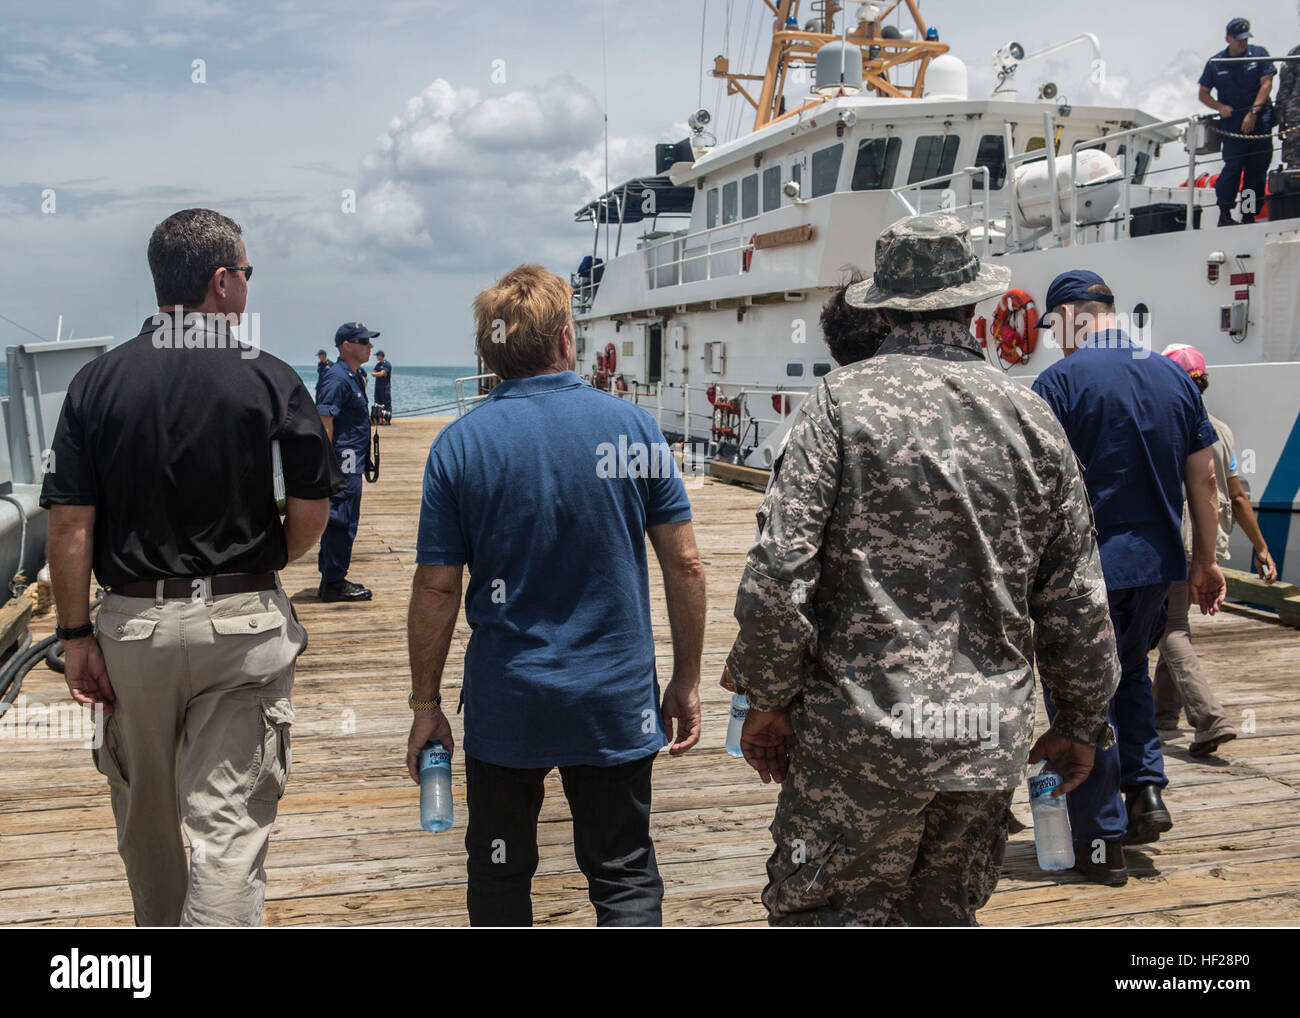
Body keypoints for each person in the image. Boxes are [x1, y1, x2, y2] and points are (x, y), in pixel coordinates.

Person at [726, 214, 1120, 926]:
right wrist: (1083, 721)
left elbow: (778, 571)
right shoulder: (1033, 418)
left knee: (832, 914)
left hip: (860, 737)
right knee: (943, 915)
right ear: (972, 303)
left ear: (884, 305)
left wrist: (767, 699)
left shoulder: (839, 406)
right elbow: (1078, 600)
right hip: (984, 739)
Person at [39, 208, 342, 926]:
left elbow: (70, 523)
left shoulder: (96, 383)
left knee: (145, 816)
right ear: (221, 283)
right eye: (247, 273)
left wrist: (76, 633)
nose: (247, 287)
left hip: (133, 627)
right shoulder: (268, 377)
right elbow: (311, 505)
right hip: (241, 627)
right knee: (229, 831)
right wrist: (265, 560)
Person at [404, 264, 706, 927]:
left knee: (500, 874)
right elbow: (684, 565)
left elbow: (436, 588)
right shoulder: (635, 430)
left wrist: (426, 704)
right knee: (624, 874)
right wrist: (686, 679)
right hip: (613, 697)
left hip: (509, 701)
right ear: (567, 339)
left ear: (489, 352)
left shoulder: (459, 446)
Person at [1031, 270, 1226, 886]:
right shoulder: (1174, 377)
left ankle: (1099, 841)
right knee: (1132, 674)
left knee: (1078, 695)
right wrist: (1206, 562)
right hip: (1158, 567)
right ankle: (1145, 788)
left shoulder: (1059, 384)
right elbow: (1206, 481)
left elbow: (1037, 489)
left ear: (1069, 316)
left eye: (1052, 327)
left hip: (1085, 572)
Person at [1154, 343, 1277, 758]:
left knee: (1171, 630)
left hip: (1176, 541)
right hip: (1210, 544)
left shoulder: (1164, 426)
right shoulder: (1220, 430)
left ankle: (1209, 719)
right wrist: (1261, 547)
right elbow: (1238, 496)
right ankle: (1162, 715)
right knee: (1177, 625)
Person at [316, 322, 377, 603]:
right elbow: (324, 421)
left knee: (346, 518)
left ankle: (333, 576)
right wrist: (327, 465)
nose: (369, 346)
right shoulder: (337, 378)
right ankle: (333, 582)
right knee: (341, 519)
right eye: (363, 342)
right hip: (343, 462)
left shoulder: (354, 375)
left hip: (354, 461)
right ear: (346, 346)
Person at [1199, 17, 1277, 225]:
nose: (1243, 43)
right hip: (1233, 123)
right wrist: (1220, 108)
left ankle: (1248, 214)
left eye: (1245, 38)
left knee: (1256, 170)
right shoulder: (1216, 63)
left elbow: (1267, 83)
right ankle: (1225, 213)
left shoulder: (1259, 54)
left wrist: (1253, 113)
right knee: (1233, 167)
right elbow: (1203, 93)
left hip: (1258, 120)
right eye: (1238, 39)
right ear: (1228, 39)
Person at [372, 349, 393, 416]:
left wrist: (378, 374)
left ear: (380, 356)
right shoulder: (378, 364)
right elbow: (373, 373)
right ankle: (379, 418)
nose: (376, 357)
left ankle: (387, 419)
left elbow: (382, 373)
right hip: (378, 387)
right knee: (378, 403)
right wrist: (379, 373)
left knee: (386, 403)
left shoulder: (387, 364)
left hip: (385, 388)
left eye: (377, 356)